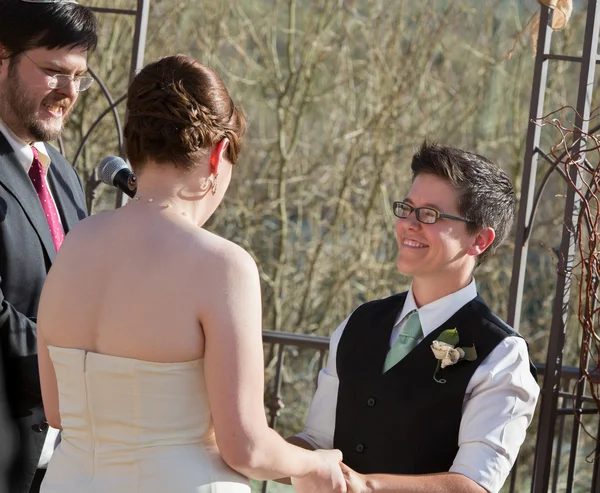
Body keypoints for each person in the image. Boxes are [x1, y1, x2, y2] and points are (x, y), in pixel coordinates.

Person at [35, 54, 346, 493]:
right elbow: (247, 448)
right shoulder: (222, 266)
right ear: (218, 155)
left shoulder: (74, 245)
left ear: (134, 148)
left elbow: (57, 411)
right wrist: (315, 462)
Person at [289, 142, 540, 493]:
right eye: (407, 209)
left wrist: (366, 486)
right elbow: (316, 442)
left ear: (479, 240)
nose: (408, 224)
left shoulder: (502, 355)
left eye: (430, 215)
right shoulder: (358, 323)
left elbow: (473, 484)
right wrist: (251, 444)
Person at [0, 0, 98, 491]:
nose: (69, 92)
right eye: (55, 71)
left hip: (55, 464)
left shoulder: (62, 175)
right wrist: (74, 363)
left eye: (79, 76)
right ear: (2, 58)